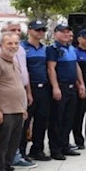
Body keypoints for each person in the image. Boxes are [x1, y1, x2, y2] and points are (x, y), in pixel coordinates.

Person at [0, 22, 32, 166]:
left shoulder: (14, 62)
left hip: (17, 109)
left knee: (13, 143)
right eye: (9, 43)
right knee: (1, 144)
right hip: (4, 111)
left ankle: (9, 170)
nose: (13, 46)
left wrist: (22, 107)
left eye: (16, 43)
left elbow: (18, 85)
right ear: (1, 45)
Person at [47, 23, 86, 160]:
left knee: (69, 118)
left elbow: (76, 67)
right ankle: (55, 149)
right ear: (56, 33)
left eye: (68, 32)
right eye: (62, 32)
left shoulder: (71, 49)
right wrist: (55, 87)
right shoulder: (53, 49)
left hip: (72, 87)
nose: (65, 35)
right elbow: (51, 69)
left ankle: (65, 145)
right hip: (61, 86)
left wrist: (80, 83)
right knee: (57, 119)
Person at [22, 20, 53, 161]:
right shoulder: (22, 47)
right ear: (29, 30)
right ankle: (21, 151)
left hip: (44, 87)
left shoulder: (44, 48)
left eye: (42, 30)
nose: (40, 32)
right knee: (25, 121)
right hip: (28, 88)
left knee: (42, 120)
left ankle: (37, 149)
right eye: (37, 30)